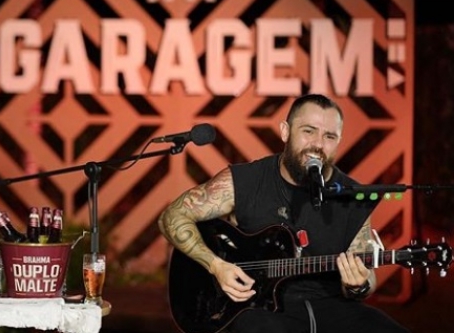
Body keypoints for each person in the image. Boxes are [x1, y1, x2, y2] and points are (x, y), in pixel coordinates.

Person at [158, 94, 408, 333]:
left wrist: (358, 285)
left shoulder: (352, 196)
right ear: (285, 132)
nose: (318, 144)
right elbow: (172, 217)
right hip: (257, 306)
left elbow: (366, 276)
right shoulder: (247, 180)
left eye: (329, 136)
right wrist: (215, 265)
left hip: (330, 306)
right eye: (308, 131)